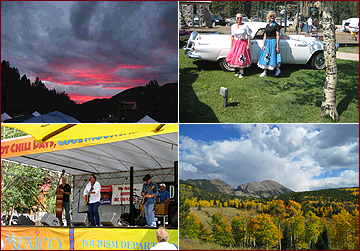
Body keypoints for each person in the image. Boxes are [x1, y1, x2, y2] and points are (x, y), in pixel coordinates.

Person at [226, 13, 251, 78]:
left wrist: (248, 44)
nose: (239, 19)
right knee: (235, 57)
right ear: (235, 18)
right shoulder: (233, 26)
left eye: (240, 18)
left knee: (241, 56)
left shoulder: (245, 25)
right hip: (235, 43)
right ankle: (237, 70)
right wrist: (231, 46)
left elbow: (248, 35)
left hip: (243, 43)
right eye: (238, 18)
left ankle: (242, 72)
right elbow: (232, 36)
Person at [257, 11, 281, 77]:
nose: (272, 17)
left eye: (273, 16)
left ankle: (278, 70)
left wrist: (277, 46)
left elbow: (278, 36)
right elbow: (264, 35)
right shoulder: (267, 25)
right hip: (267, 42)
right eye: (271, 16)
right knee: (266, 56)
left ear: (275, 17)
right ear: (269, 17)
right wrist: (263, 45)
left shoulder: (276, 25)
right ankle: (265, 71)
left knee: (273, 56)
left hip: (273, 42)